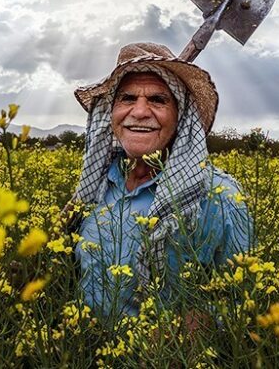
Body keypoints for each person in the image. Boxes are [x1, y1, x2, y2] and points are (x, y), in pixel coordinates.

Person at [68, 42, 253, 319]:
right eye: (128, 98)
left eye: (158, 100)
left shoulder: (220, 198)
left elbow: (242, 301)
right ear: (111, 112)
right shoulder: (96, 185)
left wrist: (174, 342)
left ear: (180, 118)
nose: (140, 112)